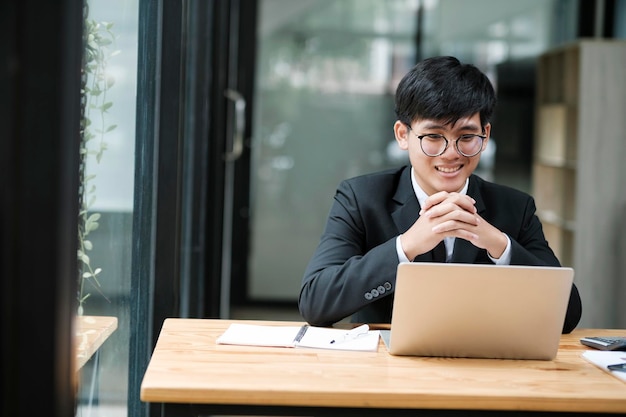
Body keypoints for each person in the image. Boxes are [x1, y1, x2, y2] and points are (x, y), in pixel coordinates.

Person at [298, 56, 582, 333]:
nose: (450, 153)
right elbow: (316, 302)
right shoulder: (361, 198)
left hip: (487, 368)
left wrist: (499, 245)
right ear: (402, 135)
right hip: (387, 370)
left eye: (467, 137)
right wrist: (406, 246)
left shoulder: (515, 207)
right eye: (433, 137)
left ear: (485, 135)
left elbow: (568, 315)